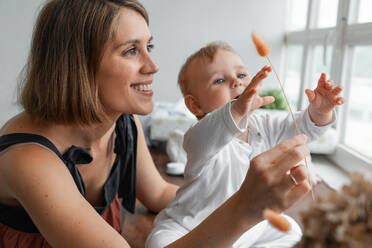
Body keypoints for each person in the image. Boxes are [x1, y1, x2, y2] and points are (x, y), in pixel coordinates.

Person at [0, 1, 314, 247]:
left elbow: (161, 193)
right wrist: (244, 209)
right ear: (77, 65)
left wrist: (228, 193)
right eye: (130, 51)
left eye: (148, 47)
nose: (153, 65)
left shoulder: (123, 125)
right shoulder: (28, 159)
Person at [146, 42, 344, 247]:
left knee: (290, 231)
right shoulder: (199, 137)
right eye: (219, 80)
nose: (235, 82)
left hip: (249, 230)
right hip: (191, 229)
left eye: (241, 75)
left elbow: (303, 128)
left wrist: (320, 112)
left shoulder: (266, 124)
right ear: (195, 105)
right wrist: (236, 109)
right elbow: (209, 132)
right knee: (158, 243)